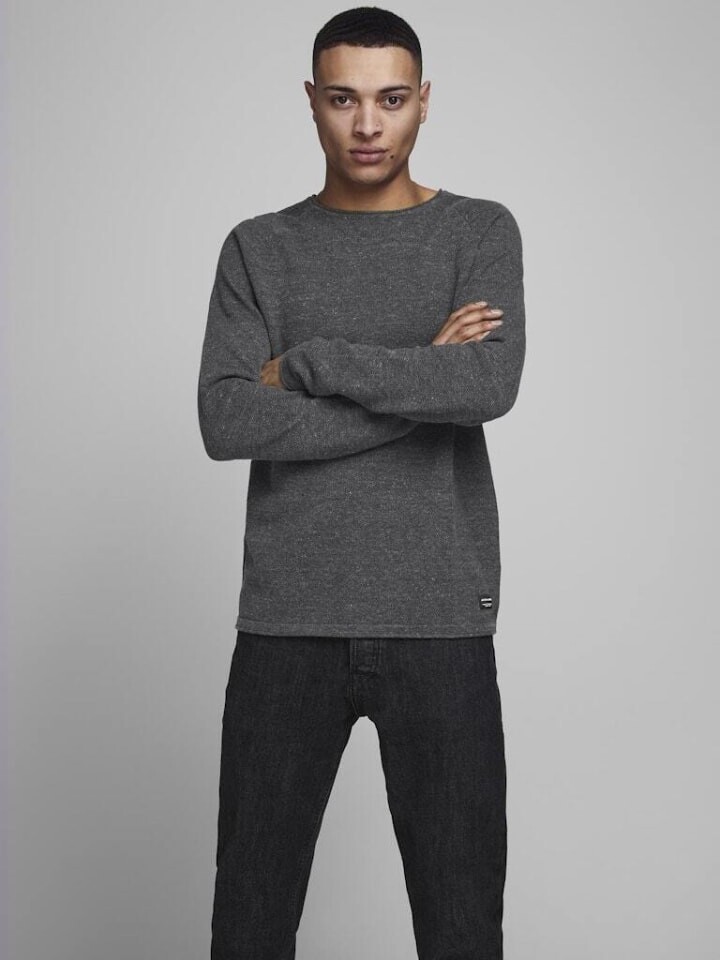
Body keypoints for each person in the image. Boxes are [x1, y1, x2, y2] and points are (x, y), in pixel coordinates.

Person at [197, 7, 526, 958]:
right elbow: (226, 420)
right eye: (344, 99)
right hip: (286, 624)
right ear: (312, 102)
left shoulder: (478, 231)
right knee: (249, 928)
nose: (369, 124)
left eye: (392, 99)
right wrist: (421, 375)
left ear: (424, 102)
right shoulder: (257, 248)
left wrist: (311, 362)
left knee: (462, 930)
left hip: (441, 621)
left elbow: (486, 386)